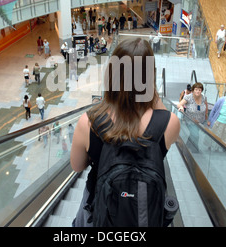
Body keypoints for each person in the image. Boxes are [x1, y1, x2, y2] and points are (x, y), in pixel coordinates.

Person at [70, 38, 181, 227]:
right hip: (144, 205)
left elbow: (77, 166)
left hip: (99, 202)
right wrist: (148, 89)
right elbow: (160, 111)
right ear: (150, 76)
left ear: (112, 74)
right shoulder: (170, 123)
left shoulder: (88, 122)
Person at [177, 82, 208, 152]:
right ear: (193, 90)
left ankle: (188, 145)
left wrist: (206, 116)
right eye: (196, 89)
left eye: (199, 90)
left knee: (193, 133)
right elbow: (179, 104)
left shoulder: (203, 97)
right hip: (190, 120)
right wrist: (181, 107)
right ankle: (195, 150)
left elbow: (206, 106)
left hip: (200, 121)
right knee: (196, 135)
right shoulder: (188, 97)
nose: (198, 91)